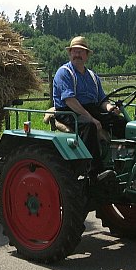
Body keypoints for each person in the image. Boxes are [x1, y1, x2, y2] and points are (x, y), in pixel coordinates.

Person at [52, 36, 126, 179]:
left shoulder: (92, 76)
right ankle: (94, 171)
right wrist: (92, 119)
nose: (77, 55)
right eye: (75, 51)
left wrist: (110, 108)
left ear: (86, 56)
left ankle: (125, 163)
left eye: (81, 52)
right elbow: (70, 100)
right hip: (68, 110)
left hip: (89, 108)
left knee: (121, 123)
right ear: (70, 53)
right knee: (89, 126)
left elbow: (101, 100)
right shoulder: (65, 72)